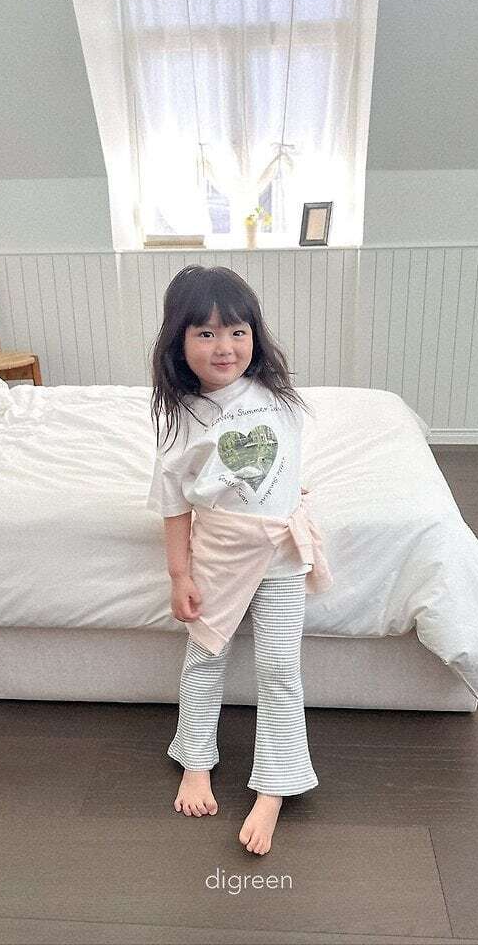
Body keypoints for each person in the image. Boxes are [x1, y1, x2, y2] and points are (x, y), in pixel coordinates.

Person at [146, 263, 332, 856]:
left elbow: (286, 460)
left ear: (254, 334)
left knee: (280, 670)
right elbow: (174, 505)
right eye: (204, 333)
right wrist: (179, 576)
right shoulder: (181, 416)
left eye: (236, 331)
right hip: (220, 556)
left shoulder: (278, 396)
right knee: (205, 658)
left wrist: (287, 494)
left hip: (280, 555)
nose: (223, 346)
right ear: (179, 342)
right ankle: (194, 759)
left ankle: (275, 786)